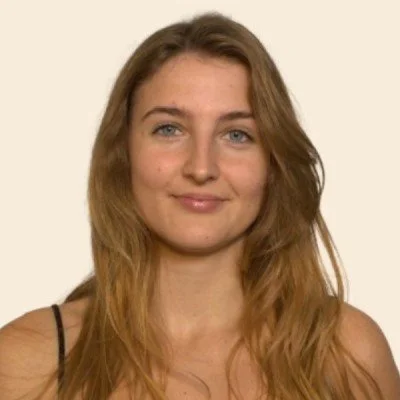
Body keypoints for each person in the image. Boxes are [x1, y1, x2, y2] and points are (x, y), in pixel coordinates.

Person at [0, 12, 399, 400]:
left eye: (237, 135)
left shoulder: (348, 353)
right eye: (169, 129)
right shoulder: (28, 361)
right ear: (122, 153)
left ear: (273, 164)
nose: (201, 167)